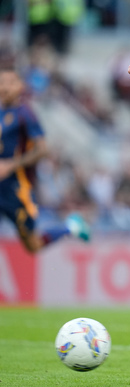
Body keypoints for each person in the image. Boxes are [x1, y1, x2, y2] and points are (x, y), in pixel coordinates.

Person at [0, 68, 90, 253]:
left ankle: (71, 227)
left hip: (17, 189)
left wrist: (11, 165)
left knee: (33, 245)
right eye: (1, 83)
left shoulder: (25, 114)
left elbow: (42, 150)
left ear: (20, 86)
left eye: (10, 82)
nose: (4, 87)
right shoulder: (2, 113)